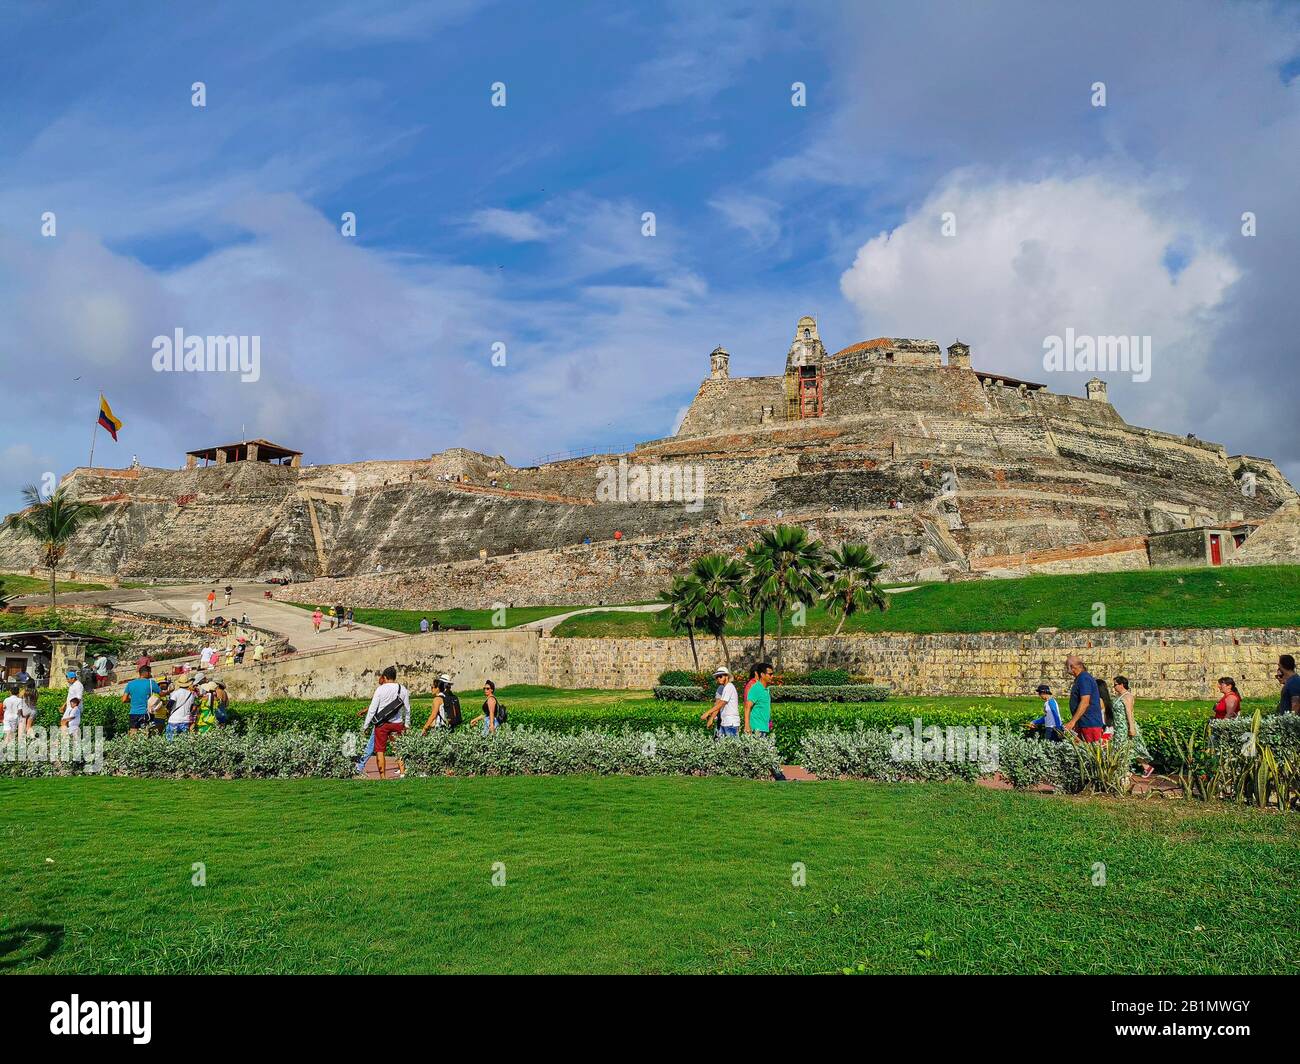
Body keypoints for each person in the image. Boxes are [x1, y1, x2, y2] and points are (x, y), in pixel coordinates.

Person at [362, 666, 410, 778]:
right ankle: (402, 773)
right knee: (398, 749)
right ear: (395, 676)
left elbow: (373, 709)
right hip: (397, 723)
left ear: (384, 677)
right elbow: (407, 709)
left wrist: (366, 725)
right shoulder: (402, 689)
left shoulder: (380, 689)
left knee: (380, 750)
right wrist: (407, 724)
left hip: (382, 724)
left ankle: (383, 777)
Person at [1112, 676, 1154, 778]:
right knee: (1129, 748)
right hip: (1119, 727)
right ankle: (1146, 767)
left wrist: (1131, 728)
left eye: (1115, 685)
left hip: (1124, 727)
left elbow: (1129, 713)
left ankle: (1124, 771)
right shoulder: (1119, 696)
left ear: (1122, 685)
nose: (1114, 687)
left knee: (1123, 749)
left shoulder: (1127, 696)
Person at [1063, 655, 1106, 742]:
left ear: (1072, 667)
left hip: (1089, 724)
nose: (1066, 670)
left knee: (1091, 753)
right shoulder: (1081, 678)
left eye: (1067, 667)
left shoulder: (1084, 678)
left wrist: (1072, 722)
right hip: (1084, 723)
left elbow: (1085, 702)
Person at [701, 666, 740, 737]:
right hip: (725, 722)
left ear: (727, 676)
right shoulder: (724, 688)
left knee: (732, 747)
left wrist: (708, 712)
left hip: (731, 723)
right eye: (717, 677)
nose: (718, 678)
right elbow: (719, 703)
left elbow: (721, 703)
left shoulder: (729, 687)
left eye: (720, 676)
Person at [123, 664, 162, 732]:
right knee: (146, 734)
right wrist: (169, 691)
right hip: (146, 713)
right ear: (147, 673)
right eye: (150, 672)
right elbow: (161, 694)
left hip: (133, 713)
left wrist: (133, 700)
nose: (151, 674)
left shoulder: (130, 683)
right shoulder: (151, 683)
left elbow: (124, 699)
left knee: (133, 734)